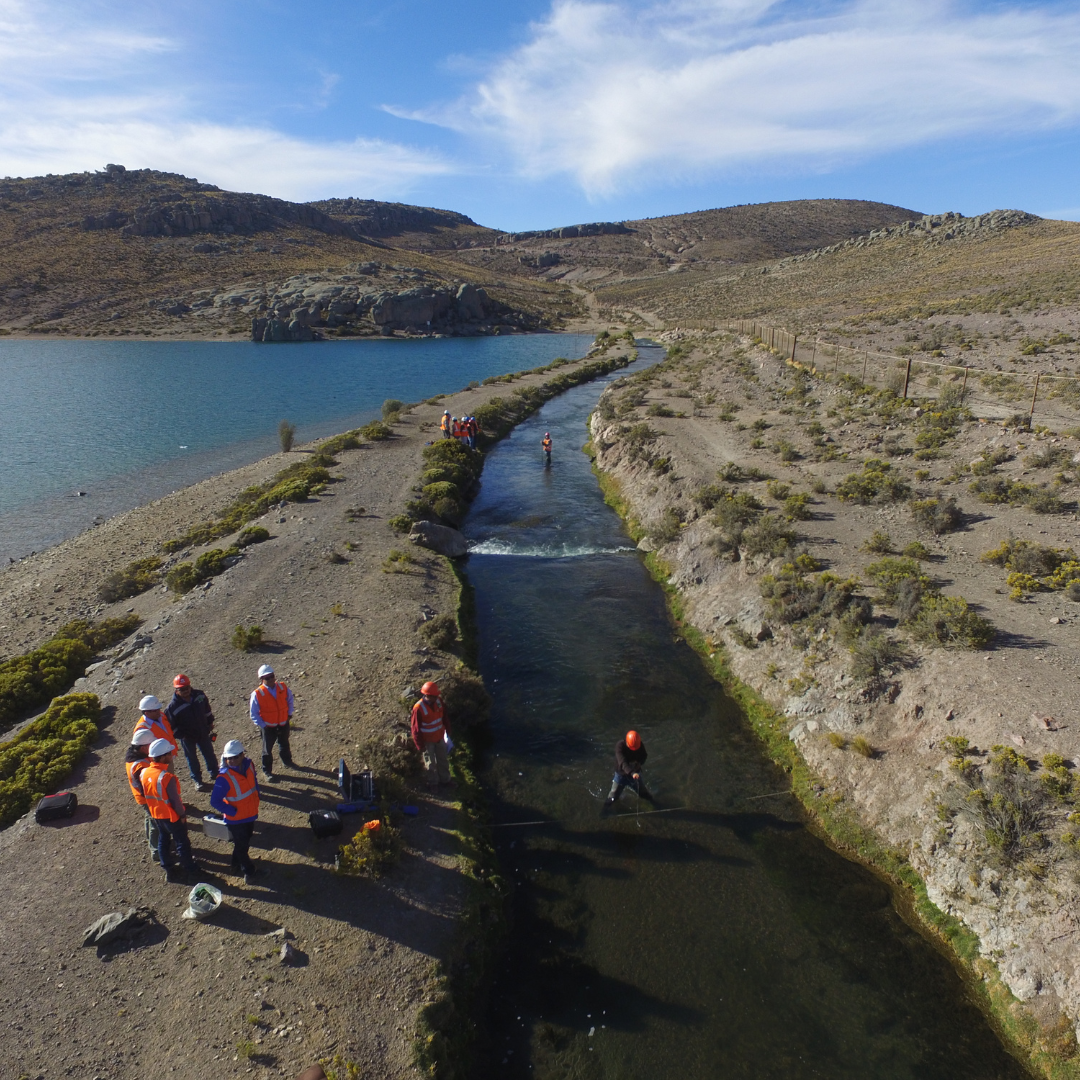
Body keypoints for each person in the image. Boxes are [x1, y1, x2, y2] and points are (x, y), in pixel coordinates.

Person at [141, 738, 200, 882]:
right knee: (182, 843)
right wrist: (182, 815)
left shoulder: (144, 773)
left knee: (163, 840)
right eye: (169, 754)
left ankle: (168, 869)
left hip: (157, 815)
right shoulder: (167, 777)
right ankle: (191, 870)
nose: (172, 756)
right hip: (172, 817)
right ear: (162, 757)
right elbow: (175, 801)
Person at [210, 739, 261, 884]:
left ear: (242, 755)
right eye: (229, 758)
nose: (231, 760)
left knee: (244, 841)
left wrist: (257, 796)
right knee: (242, 846)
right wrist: (232, 811)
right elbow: (215, 801)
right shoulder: (223, 778)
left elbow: (254, 782)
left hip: (250, 814)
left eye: (235, 757)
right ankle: (249, 872)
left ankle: (235, 864)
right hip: (236, 819)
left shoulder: (249, 765)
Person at [166, 674, 218, 792]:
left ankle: (215, 773)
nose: (186, 691)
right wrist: (182, 736)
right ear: (176, 690)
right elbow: (171, 726)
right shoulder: (172, 707)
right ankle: (197, 780)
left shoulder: (200, 695)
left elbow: (207, 709)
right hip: (187, 738)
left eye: (187, 688)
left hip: (203, 731)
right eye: (182, 689)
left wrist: (210, 722)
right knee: (192, 758)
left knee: (209, 753)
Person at [250, 663, 294, 779]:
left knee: (284, 743)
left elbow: (290, 700)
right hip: (268, 727)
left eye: (272, 676)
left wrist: (289, 715)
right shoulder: (257, 693)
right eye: (267, 677)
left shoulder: (282, 687)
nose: (270, 679)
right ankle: (267, 771)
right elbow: (254, 713)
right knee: (267, 750)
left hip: (283, 723)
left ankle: (287, 761)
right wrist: (263, 725)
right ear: (261, 679)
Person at [410, 681, 454, 791]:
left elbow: (444, 717)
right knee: (430, 763)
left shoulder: (439, 702)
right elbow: (415, 729)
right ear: (427, 695)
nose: (436, 697)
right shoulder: (418, 708)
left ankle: (445, 780)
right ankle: (433, 783)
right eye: (434, 696)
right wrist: (420, 745)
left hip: (439, 737)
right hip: (427, 741)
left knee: (443, 760)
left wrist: (448, 731)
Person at [124, 728, 159, 860]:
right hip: (148, 799)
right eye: (150, 744)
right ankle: (156, 851)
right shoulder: (141, 765)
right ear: (143, 747)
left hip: (142, 798)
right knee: (156, 824)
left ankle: (151, 841)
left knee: (149, 819)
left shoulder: (133, 757)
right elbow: (146, 787)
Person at [604, 730, 655, 808]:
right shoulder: (620, 746)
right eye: (632, 748)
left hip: (635, 774)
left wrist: (639, 763)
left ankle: (655, 804)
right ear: (627, 742)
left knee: (644, 793)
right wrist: (632, 773)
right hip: (621, 775)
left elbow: (644, 756)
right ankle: (605, 809)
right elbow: (623, 763)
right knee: (613, 796)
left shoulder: (639, 744)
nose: (634, 750)